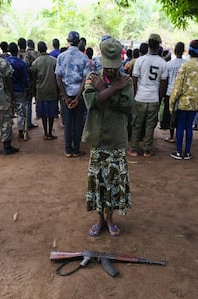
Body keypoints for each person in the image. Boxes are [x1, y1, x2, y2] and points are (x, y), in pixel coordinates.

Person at [82, 37, 134, 237]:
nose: (111, 71)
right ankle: (100, 219)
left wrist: (105, 92)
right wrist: (112, 89)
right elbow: (92, 101)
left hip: (117, 140)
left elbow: (128, 106)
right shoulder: (92, 78)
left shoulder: (126, 81)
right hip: (98, 140)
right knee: (98, 182)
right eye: (108, 67)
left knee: (113, 182)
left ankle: (110, 218)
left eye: (114, 68)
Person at [127, 34, 167, 158]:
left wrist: (134, 96)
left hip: (140, 97)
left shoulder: (140, 60)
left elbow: (134, 80)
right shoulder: (162, 62)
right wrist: (159, 99)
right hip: (154, 98)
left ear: (148, 45)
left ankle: (134, 149)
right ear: (159, 46)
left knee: (137, 124)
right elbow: (163, 84)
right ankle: (147, 150)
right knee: (150, 126)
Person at [169, 40, 198, 160]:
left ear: (189, 50)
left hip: (183, 101)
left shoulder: (185, 66)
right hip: (195, 102)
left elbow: (177, 87)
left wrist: (172, 103)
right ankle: (187, 152)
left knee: (180, 126)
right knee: (189, 126)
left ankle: (178, 152)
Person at [55, 30, 90, 157]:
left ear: (68, 41)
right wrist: (77, 96)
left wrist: (65, 96)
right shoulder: (84, 57)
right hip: (79, 96)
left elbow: (58, 78)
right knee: (78, 123)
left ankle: (68, 149)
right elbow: (86, 78)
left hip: (66, 95)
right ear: (79, 41)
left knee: (68, 123)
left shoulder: (61, 57)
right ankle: (76, 149)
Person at [30, 41, 59, 140]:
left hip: (41, 91)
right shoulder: (54, 61)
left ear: (38, 49)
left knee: (43, 114)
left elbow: (33, 79)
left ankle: (45, 133)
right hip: (52, 90)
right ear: (46, 48)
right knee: (51, 113)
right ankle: (50, 132)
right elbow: (57, 76)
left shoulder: (35, 62)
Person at [161, 42, 186, 143]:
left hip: (170, 92)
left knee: (171, 114)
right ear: (183, 51)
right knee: (180, 115)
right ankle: (178, 135)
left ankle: (171, 136)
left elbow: (165, 80)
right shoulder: (186, 64)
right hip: (182, 93)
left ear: (175, 51)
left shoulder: (168, 64)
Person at [6, 42, 29, 141]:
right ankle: (20, 133)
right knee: (21, 112)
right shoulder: (22, 63)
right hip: (19, 90)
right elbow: (25, 79)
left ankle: (8, 133)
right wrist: (26, 88)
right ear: (18, 51)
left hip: (7, 91)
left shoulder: (5, 62)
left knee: (8, 112)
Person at [25, 39, 40, 129]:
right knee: (37, 98)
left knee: (28, 102)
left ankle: (27, 122)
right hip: (36, 80)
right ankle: (38, 114)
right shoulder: (37, 54)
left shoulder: (24, 55)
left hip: (28, 81)